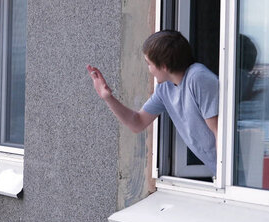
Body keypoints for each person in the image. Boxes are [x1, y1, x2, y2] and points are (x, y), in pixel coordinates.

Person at [87, 30, 219, 175]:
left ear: (163, 65)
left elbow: (218, 131)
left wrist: (224, 180)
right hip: (219, 172)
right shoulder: (165, 88)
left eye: (149, 64)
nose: (149, 70)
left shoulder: (198, 77)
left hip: (234, 174)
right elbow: (137, 123)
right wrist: (107, 97)